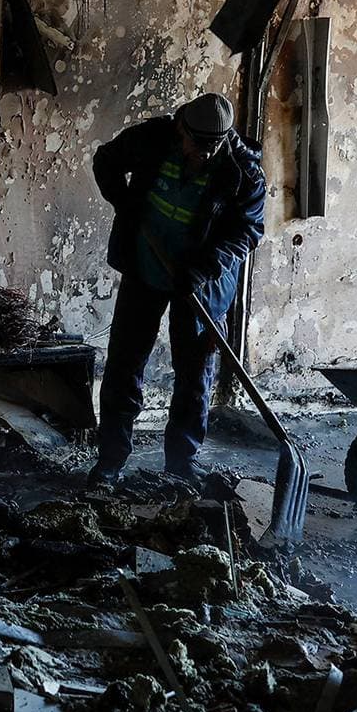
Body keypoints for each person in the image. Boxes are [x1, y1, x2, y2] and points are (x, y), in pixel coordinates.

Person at [87, 92, 265, 484]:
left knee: (193, 373)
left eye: (213, 146)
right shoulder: (153, 138)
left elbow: (248, 231)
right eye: (196, 144)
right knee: (124, 365)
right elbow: (106, 159)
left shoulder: (243, 170)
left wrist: (203, 269)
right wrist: (123, 200)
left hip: (200, 286)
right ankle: (111, 461)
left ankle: (181, 463)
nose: (203, 154)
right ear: (180, 129)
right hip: (145, 270)